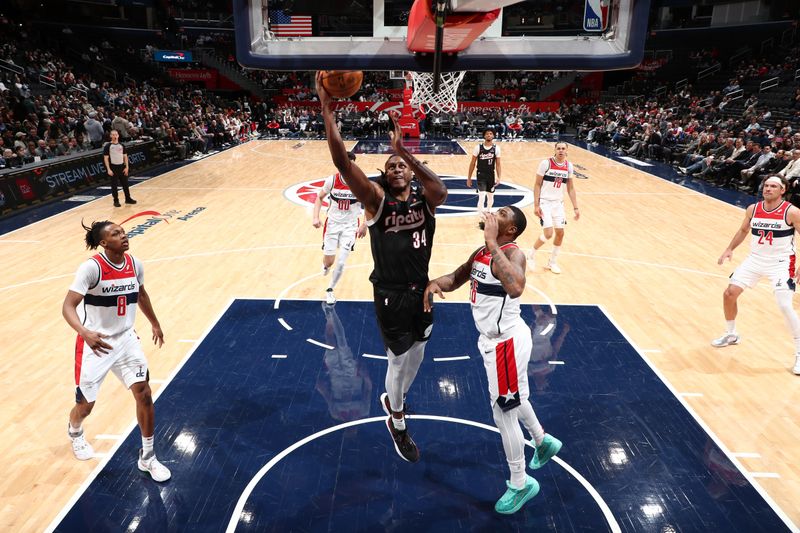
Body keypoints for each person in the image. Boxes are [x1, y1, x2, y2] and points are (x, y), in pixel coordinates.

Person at [316, 71, 448, 463]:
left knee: (418, 355)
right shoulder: (375, 201)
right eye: (389, 166)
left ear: (410, 170)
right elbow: (341, 160)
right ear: (383, 176)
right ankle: (398, 421)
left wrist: (402, 150)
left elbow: (440, 189)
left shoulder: (426, 199)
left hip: (421, 288)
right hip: (389, 292)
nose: (395, 169)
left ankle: (395, 399)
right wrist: (327, 109)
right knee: (396, 358)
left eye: (401, 167)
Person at [424, 207, 561, 514]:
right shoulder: (483, 252)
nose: (491, 214)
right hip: (499, 341)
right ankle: (542, 441)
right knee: (515, 398)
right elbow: (457, 277)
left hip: (505, 344)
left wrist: (492, 242)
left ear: (509, 230)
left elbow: (516, 287)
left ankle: (520, 483)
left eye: (500, 214)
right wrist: (435, 283)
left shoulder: (513, 254)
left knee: (503, 413)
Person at [62, 220, 171, 481]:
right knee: (85, 406)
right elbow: (67, 306)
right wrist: (85, 332)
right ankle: (75, 431)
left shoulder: (135, 264)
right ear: (103, 242)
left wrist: (155, 323)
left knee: (144, 393)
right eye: (116, 234)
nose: (123, 236)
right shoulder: (91, 268)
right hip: (95, 343)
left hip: (126, 340)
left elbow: (141, 294)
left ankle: (148, 457)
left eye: (122, 232)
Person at [713, 175, 800, 375]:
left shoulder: (792, 212)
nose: (768, 189)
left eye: (773, 186)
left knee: (785, 305)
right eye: (766, 185)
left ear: (782, 190)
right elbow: (744, 230)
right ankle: (731, 334)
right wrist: (729, 248)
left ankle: (799, 353)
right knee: (729, 294)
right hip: (755, 260)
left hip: (782, 263)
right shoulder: (753, 209)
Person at [312, 151, 368, 304]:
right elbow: (319, 197)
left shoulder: (360, 182)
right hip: (332, 224)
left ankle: (330, 290)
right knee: (329, 261)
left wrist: (364, 224)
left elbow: (368, 204)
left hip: (350, 226)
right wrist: (315, 217)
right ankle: (326, 266)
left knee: (342, 261)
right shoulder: (332, 180)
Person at [529, 141, 580, 274]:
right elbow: (537, 184)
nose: (561, 151)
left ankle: (552, 262)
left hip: (558, 204)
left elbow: (571, 188)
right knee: (549, 234)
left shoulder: (569, 166)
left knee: (560, 233)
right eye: (559, 148)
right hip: (545, 202)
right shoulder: (546, 163)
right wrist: (536, 205)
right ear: (555, 150)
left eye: (563, 148)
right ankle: (531, 255)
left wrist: (576, 208)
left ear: (567, 150)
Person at [467, 129, 501, 216]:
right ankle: (481, 216)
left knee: (491, 196)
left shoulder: (496, 148)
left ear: (493, 136)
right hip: (481, 174)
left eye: (491, 134)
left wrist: (499, 177)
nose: (489, 135)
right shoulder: (478, 147)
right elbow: (472, 163)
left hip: (491, 175)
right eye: (487, 134)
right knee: (481, 196)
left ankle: (489, 211)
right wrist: (469, 178)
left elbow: (498, 164)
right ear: (484, 136)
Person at [103, 130, 136, 207]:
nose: (115, 136)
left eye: (116, 134)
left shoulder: (122, 145)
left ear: (118, 135)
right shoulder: (108, 146)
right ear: (110, 136)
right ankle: (116, 201)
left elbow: (125, 156)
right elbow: (106, 158)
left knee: (125, 184)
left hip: (122, 167)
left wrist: (127, 167)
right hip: (113, 167)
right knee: (114, 185)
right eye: (113, 135)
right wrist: (108, 169)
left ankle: (128, 199)